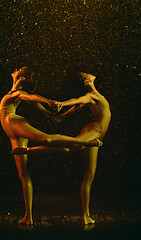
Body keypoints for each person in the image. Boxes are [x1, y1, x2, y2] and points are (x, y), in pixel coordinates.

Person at [0, 67, 102, 225]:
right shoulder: (14, 93)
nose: (16, 69)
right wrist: (48, 112)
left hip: (14, 123)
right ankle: (28, 216)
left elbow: (31, 98)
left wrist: (47, 102)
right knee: (22, 174)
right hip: (12, 133)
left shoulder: (16, 93)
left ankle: (84, 142)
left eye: (19, 69)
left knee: (46, 139)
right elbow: (32, 103)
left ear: (22, 78)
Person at [56, 72, 111, 224]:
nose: (90, 73)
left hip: (97, 135)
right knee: (72, 146)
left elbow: (78, 106)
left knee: (89, 175)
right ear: (87, 80)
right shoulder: (91, 95)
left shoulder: (95, 95)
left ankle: (86, 215)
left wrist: (63, 115)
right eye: (86, 73)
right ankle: (37, 147)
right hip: (94, 131)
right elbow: (77, 100)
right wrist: (62, 104)